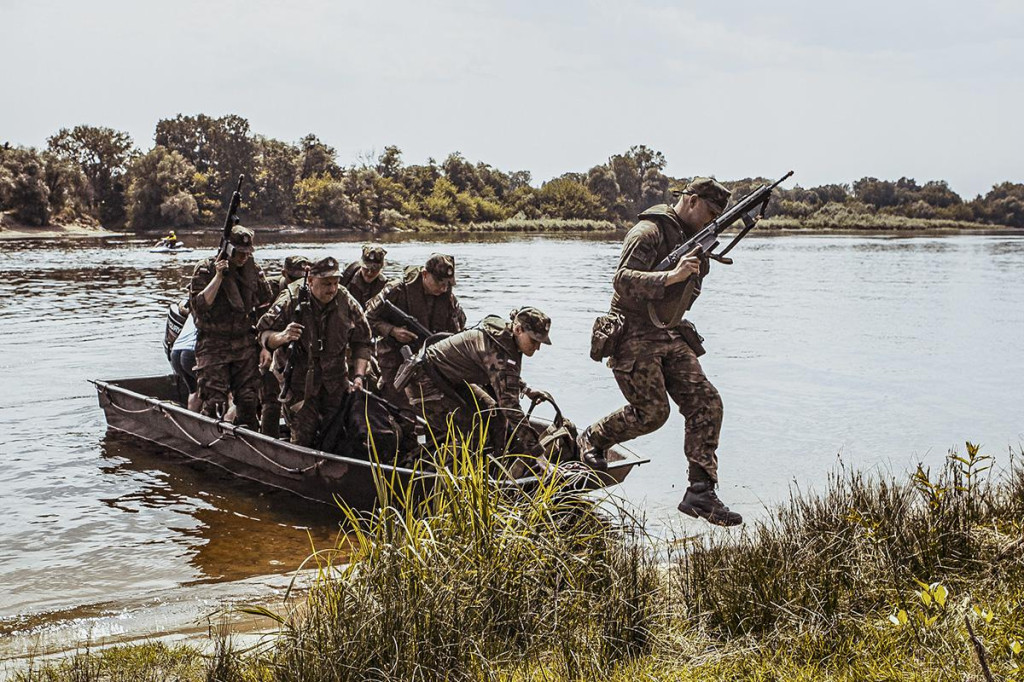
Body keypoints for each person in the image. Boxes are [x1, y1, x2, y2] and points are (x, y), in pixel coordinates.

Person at [578, 177, 743, 527]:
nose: (711, 220)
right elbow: (621, 279)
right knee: (653, 413)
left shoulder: (694, 239)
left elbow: (684, 298)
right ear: (692, 200)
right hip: (632, 331)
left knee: (707, 402)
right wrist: (672, 275)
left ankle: (700, 491)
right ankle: (593, 437)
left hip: (667, 332)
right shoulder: (648, 231)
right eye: (709, 212)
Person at [256, 256, 373, 447]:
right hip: (298, 384)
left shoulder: (346, 302)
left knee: (335, 436)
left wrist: (359, 375)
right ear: (310, 281)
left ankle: (333, 473)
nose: (332, 288)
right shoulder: (291, 300)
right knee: (303, 436)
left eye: (336, 282)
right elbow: (263, 334)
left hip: (335, 382)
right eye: (326, 283)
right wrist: (283, 336)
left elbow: (363, 342)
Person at [404, 307, 551, 458]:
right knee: (472, 429)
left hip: (450, 380)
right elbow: (510, 406)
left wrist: (526, 389)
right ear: (519, 329)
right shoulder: (498, 349)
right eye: (534, 340)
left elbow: (502, 375)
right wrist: (538, 455)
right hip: (424, 384)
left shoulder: (507, 340)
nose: (537, 347)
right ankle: (454, 475)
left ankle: (495, 462)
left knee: (494, 413)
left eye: (541, 342)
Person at [187, 225, 273, 429]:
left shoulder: (253, 270)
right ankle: (207, 440)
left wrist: (264, 345)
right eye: (238, 253)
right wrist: (218, 277)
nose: (243, 258)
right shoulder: (206, 269)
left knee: (248, 399)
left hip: (244, 344)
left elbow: (264, 305)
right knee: (214, 401)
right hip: (213, 344)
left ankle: (249, 441)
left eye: (247, 253)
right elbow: (199, 306)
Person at [365, 253, 466, 412]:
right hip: (395, 358)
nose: (443, 288)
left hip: (431, 361)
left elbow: (458, 330)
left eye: (447, 284)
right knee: (400, 409)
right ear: (425, 275)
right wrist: (392, 331)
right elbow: (367, 319)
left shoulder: (448, 298)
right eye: (439, 282)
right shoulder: (396, 290)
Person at [260, 255, 311, 437]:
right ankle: (268, 440)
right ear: (284, 274)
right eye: (293, 278)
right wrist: (265, 348)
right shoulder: (269, 288)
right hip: (267, 344)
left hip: (293, 350)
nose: (298, 283)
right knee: (270, 397)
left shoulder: (307, 290)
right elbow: (260, 326)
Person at [169, 310, 202, 412]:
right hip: (192, 353)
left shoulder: (197, 305)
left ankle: (191, 422)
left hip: (176, 351)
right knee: (227, 390)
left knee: (194, 391)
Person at [341, 244, 389, 308]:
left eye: (374, 269)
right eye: (366, 268)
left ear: (381, 269)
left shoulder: (385, 286)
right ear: (361, 265)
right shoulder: (346, 279)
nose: (369, 273)